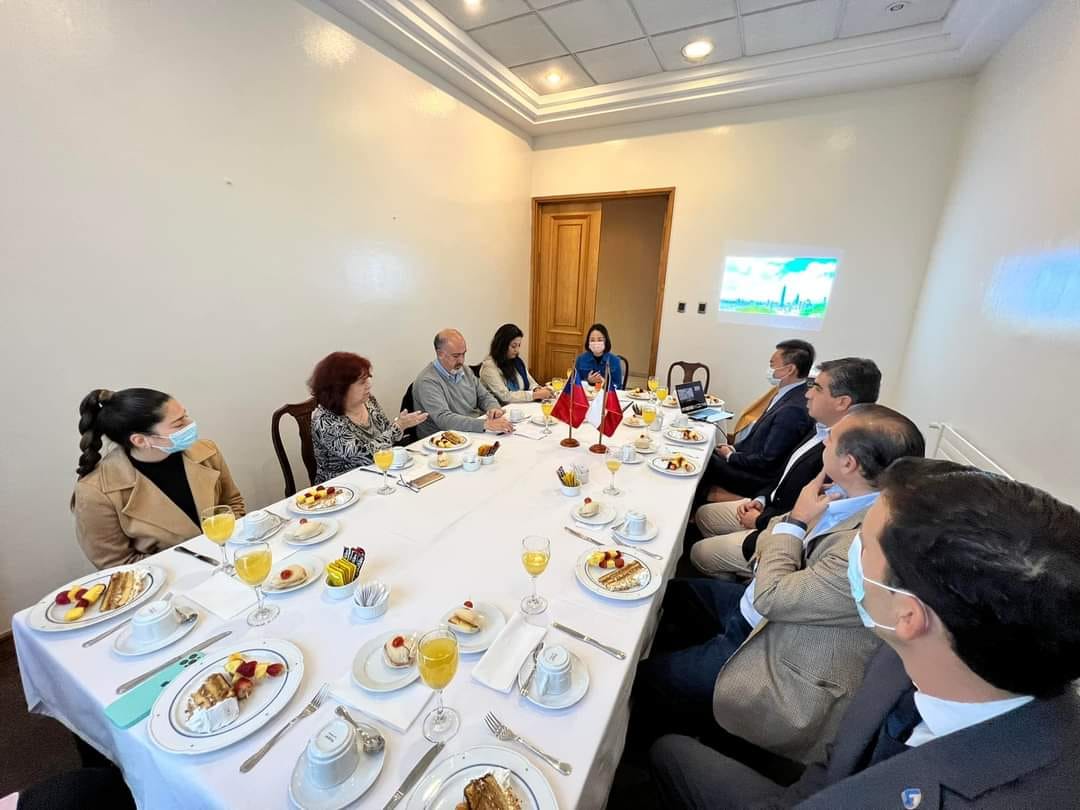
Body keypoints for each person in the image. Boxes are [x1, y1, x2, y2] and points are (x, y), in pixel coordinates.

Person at [650, 458, 1080, 809]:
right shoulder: (908, 654)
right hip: (811, 793)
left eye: (863, 545)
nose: (851, 549)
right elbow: (835, 762)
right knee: (670, 750)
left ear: (909, 614)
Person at [631, 405, 924, 765]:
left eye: (830, 439)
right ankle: (686, 688)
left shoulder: (868, 546)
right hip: (759, 609)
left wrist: (796, 523)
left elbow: (773, 593)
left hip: (777, 650)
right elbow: (772, 535)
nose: (823, 442)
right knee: (671, 591)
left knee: (643, 678)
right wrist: (788, 532)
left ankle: (648, 746)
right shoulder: (843, 493)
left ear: (849, 462)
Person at [693, 358, 881, 578]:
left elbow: (809, 519)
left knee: (698, 553)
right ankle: (737, 572)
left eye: (817, 388)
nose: (808, 394)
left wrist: (759, 521)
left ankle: (741, 590)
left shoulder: (843, 455)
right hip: (770, 506)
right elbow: (782, 474)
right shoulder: (820, 427)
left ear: (842, 402)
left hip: (781, 532)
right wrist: (761, 500)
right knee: (704, 515)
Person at [71, 388, 245, 570]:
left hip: (230, 559)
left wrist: (230, 549)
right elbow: (116, 564)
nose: (190, 424)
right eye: (179, 424)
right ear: (140, 440)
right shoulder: (95, 492)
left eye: (185, 416)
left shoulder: (206, 451)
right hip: (169, 582)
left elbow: (232, 503)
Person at [706, 340, 816, 501]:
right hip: (751, 461)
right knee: (709, 451)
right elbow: (758, 439)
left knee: (704, 460)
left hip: (760, 478)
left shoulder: (793, 410)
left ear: (790, 369)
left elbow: (768, 460)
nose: (770, 369)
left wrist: (731, 456)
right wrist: (734, 448)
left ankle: (697, 510)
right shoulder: (789, 393)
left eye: (772, 364)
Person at [309, 352, 427, 483]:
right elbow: (365, 456)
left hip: (378, 475)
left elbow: (386, 436)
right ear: (340, 388)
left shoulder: (368, 401)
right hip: (341, 488)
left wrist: (400, 426)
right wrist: (398, 427)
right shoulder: (325, 420)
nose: (369, 384)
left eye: (368, 378)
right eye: (362, 381)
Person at [414, 329, 512, 438]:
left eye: (463, 354)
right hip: (444, 440)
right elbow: (444, 419)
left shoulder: (465, 370)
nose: (461, 360)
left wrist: (494, 408)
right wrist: (484, 424)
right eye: (456, 356)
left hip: (471, 431)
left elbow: (484, 396)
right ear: (440, 354)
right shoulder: (427, 381)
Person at [478, 324, 554, 404]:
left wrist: (537, 389)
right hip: (501, 409)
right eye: (513, 346)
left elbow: (531, 382)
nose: (517, 350)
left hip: (520, 405)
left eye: (519, 345)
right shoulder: (489, 367)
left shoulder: (516, 361)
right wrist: (534, 395)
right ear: (502, 345)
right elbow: (505, 396)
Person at [575, 323, 624, 390]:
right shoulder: (581, 359)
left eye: (600, 340)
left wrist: (604, 383)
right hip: (586, 397)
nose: (596, 343)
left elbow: (618, 387)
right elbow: (574, 384)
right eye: (592, 340)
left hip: (606, 398)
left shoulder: (615, 361)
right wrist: (588, 381)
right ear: (588, 342)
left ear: (606, 341)